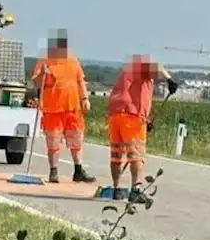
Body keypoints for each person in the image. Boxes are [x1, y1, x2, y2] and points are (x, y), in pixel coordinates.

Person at [102, 54, 177, 200]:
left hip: (115, 114)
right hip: (131, 115)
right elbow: (157, 67)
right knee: (136, 154)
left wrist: (145, 121)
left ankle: (116, 189)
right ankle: (136, 190)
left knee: (117, 155)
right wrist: (169, 80)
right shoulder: (143, 63)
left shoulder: (127, 71)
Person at [30, 31, 95, 184]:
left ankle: (78, 170)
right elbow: (35, 83)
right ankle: (54, 171)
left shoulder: (72, 59)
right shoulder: (45, 60)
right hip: (53, 109)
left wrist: (85, 98)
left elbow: (80, 80)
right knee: (53, 142)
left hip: (73, 107)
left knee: (76, 140)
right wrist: (42, 75)